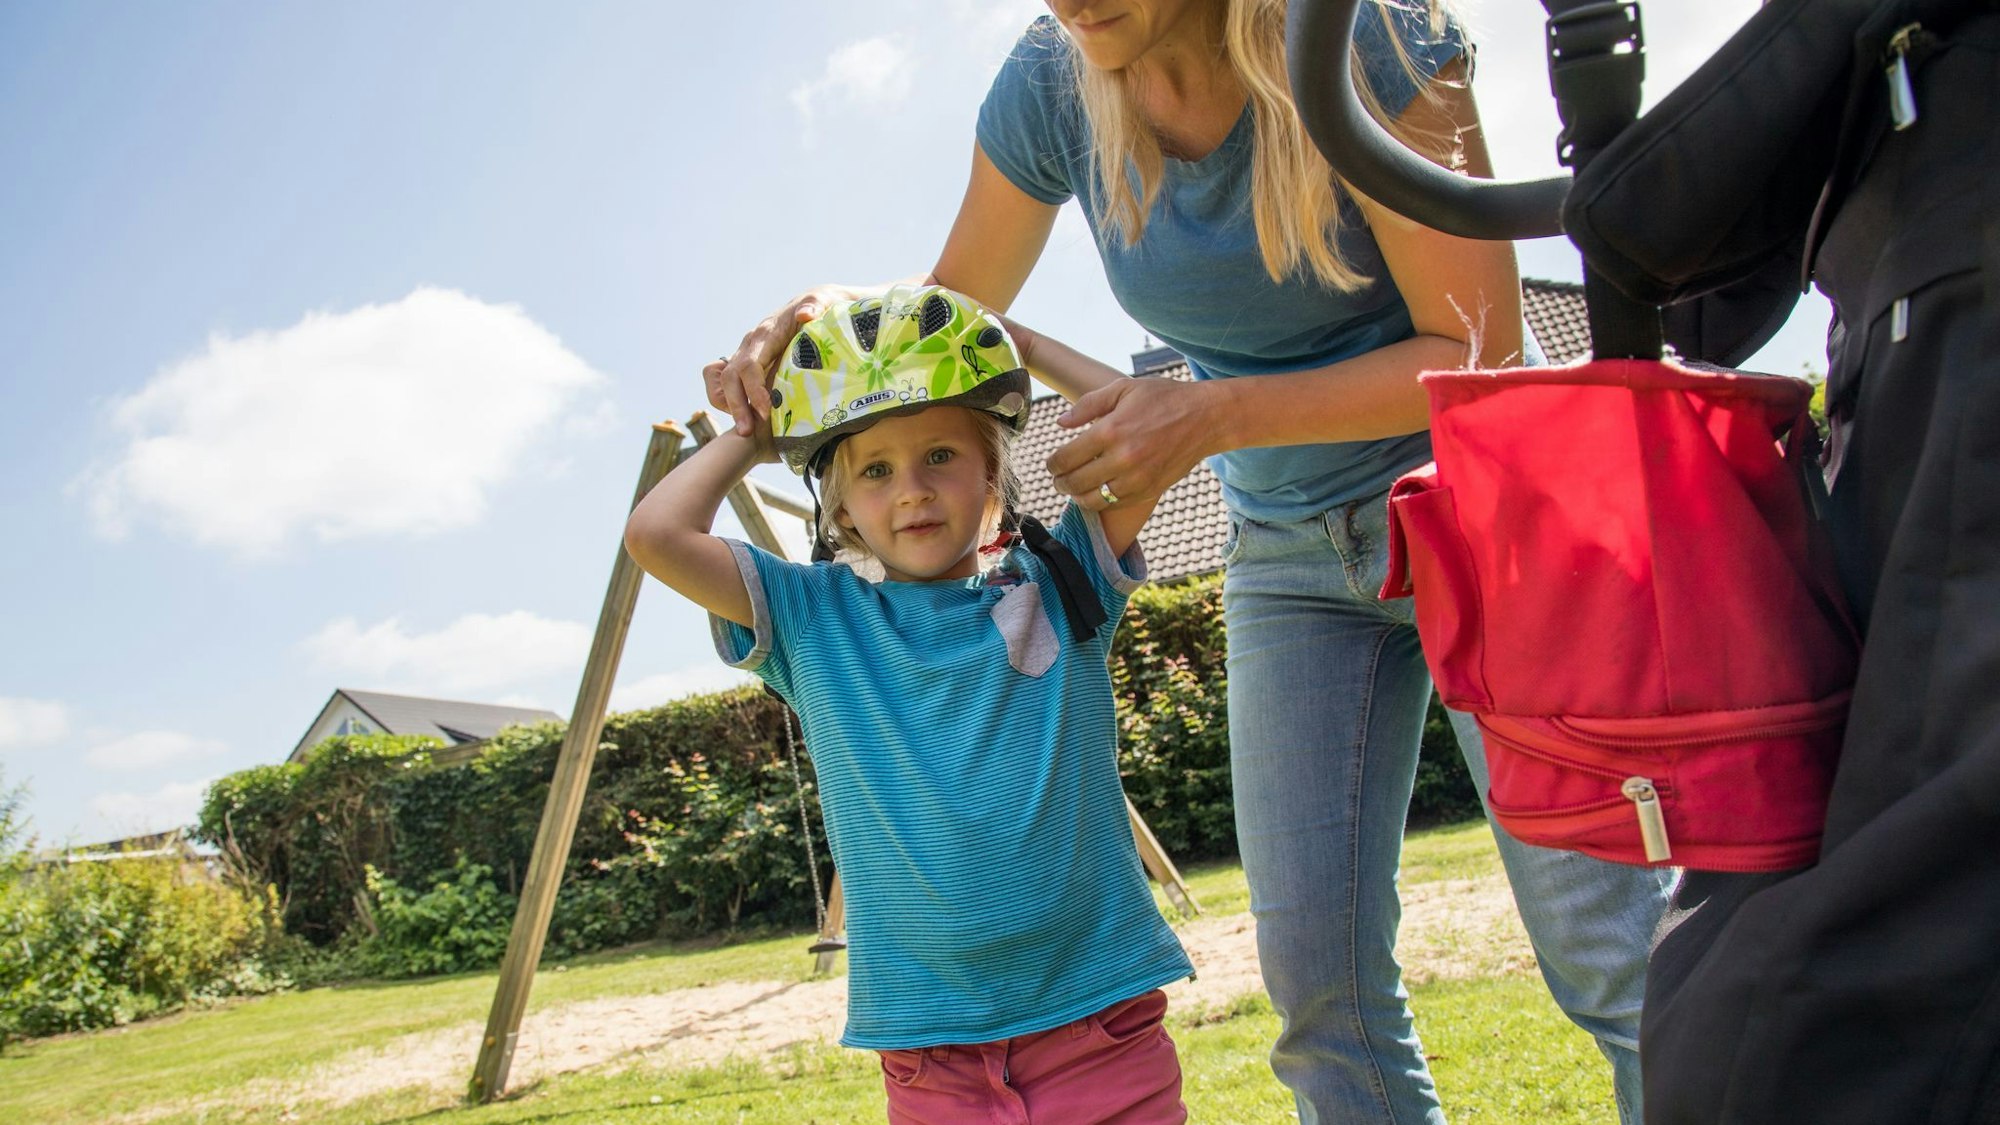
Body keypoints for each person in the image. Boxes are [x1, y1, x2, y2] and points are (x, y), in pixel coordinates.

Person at [708, 4, 1675, 1122]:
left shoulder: (1368, 37)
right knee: (1322, 999)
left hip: (1474, 520)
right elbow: (953, 321)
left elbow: (1477, 347)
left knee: (1613, 958)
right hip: (1284, 554)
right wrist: (836, 320)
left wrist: (1212, 416)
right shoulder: (1050, 80)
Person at [628, 284, 1196, 1124]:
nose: (912, 490)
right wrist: (755, 432)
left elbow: (1153, 422)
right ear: (841, 506)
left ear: (992, 474)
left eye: (940, 455)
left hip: (1100, 1023)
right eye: (876, 470)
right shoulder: (813, 619)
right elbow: (656, 536)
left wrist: (1019, 339)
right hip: (932, 1053)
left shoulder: (1062, 580)